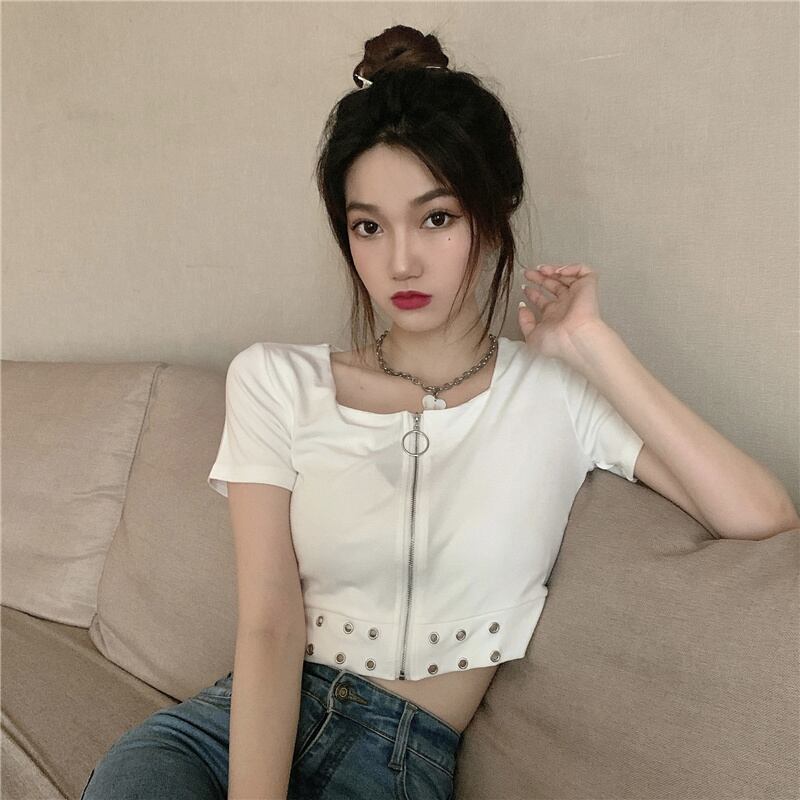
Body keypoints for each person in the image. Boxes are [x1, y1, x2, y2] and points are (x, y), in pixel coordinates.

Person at [81, 23, 645, 800]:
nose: (400, 261)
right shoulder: (276, 380)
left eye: (437, 218)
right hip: (226, 735)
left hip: (399, 759)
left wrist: (593, 344)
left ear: (493, 213)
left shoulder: (556, 394)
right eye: (368, 226)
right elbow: (270, 622)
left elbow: (760, 513)